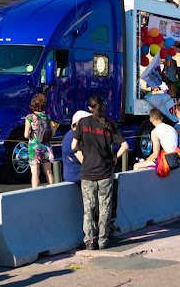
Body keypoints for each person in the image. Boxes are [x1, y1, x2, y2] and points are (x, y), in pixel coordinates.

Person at [72, 95, 128, 250]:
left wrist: (84, 158)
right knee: (105, 208)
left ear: (89, 108)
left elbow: (73, 146)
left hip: (88, 172)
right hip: (105, 172)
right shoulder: (109, 124)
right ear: (102, 106)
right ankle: (103, 240)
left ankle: (89, 241)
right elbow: (124, 145)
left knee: (88, 209)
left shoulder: (83, 123)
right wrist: (115, 157)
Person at [24, 93, 56, 188]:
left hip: (34, 146)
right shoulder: (47, 117)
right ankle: (53, 190)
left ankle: (35, 193)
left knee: (35, 173)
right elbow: (53, 133)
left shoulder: (30, 118)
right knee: (48, 171)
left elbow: (26, 134)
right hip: (46, 146)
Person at [61, 111, 91, 184]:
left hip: (78, 173)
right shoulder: (73, 138)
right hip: (76, 175)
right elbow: (83, 161)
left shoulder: (74, 134)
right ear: (78, 123)